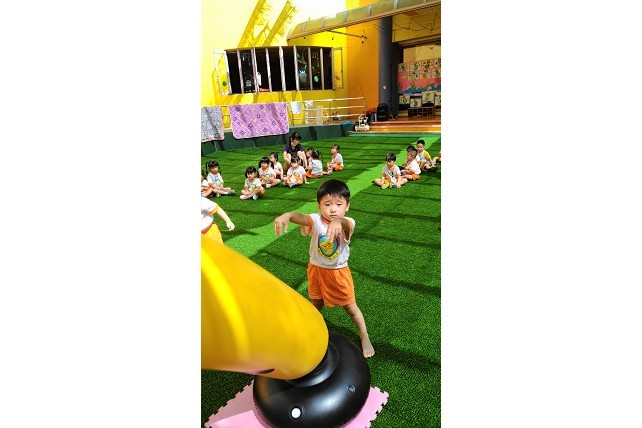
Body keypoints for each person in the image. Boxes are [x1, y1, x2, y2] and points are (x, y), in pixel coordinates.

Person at [273, 179, 374, 358]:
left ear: (347, 206)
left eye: (338, 204)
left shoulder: (348, 221)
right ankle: (310, 328)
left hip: (338, 273)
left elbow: (346, 224)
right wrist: (288, 215)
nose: (333, 209)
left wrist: (339, 221)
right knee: (316, 303)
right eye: (327, 204)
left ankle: (364, 336)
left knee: (350, 307)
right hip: (316, 271)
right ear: (319, 206)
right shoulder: (315, 220)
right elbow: (301, 217)